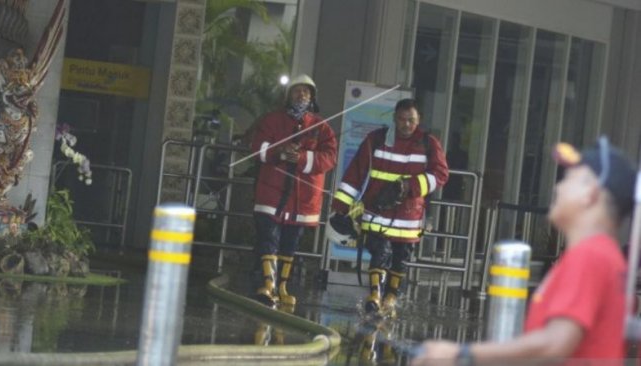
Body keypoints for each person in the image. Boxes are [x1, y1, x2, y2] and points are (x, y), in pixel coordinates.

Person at [411, 136, 636, 365]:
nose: (558, 186)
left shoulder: (590, 256)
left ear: (591, 194)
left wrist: (461, 355)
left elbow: (555, 345)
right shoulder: (602, 255)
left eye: (570, 179)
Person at [329, 98, 449, 316]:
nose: (406, 125)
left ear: (418, 119)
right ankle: (374, 296)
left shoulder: (429, 143)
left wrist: (409, 186)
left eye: (411, 120)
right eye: (402, 119)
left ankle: (390, 299)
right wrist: (341, 205)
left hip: (409, 217)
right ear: (394, 118)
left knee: (400, 261)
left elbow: (441, 174)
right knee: (379, 254)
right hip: (377, 213)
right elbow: (356, 172)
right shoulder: (376, 139)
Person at [250, 74, 337, 307]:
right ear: (288, 95)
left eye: (306, 92)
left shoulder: (321, 127)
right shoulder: (271, 120)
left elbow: (329, 158)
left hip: (303, 199)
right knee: (268, 239)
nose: (302, 95)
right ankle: (267, 285)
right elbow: (257, 147)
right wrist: (279, 152)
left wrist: (301, 158)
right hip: (272, 192)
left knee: (290, 243)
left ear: (312, 97)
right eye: (297, 91)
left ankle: (282, 287)